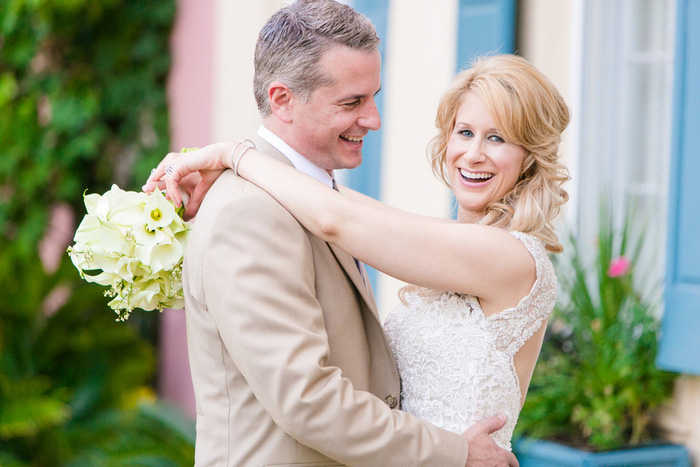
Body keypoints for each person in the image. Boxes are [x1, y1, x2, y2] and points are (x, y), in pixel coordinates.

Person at [145, 1, 519, 466]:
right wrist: (456, 453)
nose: (374, 119)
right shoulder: (251, 214)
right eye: (352, 102)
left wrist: (233, 153)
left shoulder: (309, 196)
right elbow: (309, 400)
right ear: (282, 99)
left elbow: (341, 219)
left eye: (373, 96)